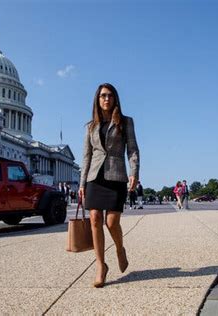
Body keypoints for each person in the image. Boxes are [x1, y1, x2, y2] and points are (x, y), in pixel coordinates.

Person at [79, 83, 140, 288]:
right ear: (97, 99)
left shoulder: (125, 122)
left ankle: (120, 249)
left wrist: (134, 173)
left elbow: (132, 149)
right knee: (95, 218)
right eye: (103, 96)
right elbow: (86, 156)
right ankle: (100, 266)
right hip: (94, 177)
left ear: (115, 99)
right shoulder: (90, 126)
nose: (106, 99)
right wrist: (81, 184)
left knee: (112, 222)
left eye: (110, 96)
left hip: (116, 176)